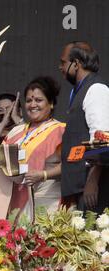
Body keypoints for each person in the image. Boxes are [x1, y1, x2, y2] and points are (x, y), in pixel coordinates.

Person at [0, 76, 65, 221]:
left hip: (47, 201)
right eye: (29, 100)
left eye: (38, 100)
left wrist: (43, 174)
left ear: (51, 103)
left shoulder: (60, 130)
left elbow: (70, 165)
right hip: (16, 201)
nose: (32, 104)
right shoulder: (16, 132)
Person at [59, 41, 109, 213]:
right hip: (79, 187)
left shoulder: (96, 89)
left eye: (63, 62)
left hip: (92, 188)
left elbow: (102, 137)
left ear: (77, 63)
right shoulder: (79, 90)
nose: (60, 67)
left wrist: (92, 180)